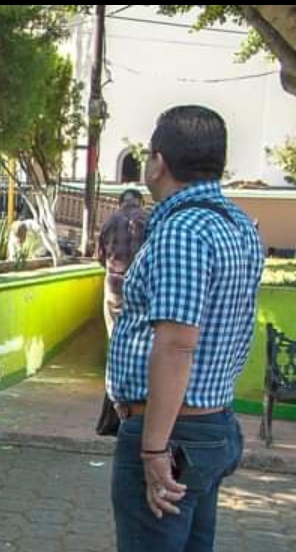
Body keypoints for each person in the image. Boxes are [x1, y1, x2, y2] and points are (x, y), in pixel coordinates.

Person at [107, 105, 263, 552]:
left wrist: (154, 450)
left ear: (158, 163)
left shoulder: (182, 232)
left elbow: (176, 346)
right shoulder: (238, 226)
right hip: (209, 426)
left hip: (173, 435)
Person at [97, 188, 147, 336]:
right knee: (139, 329)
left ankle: (114, 347)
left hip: (115, 282)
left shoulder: (108, 222)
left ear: (120, 203)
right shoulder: (150, 219)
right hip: (143, 283)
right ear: (141, 202)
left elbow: (101, 257)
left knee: (114, 328)